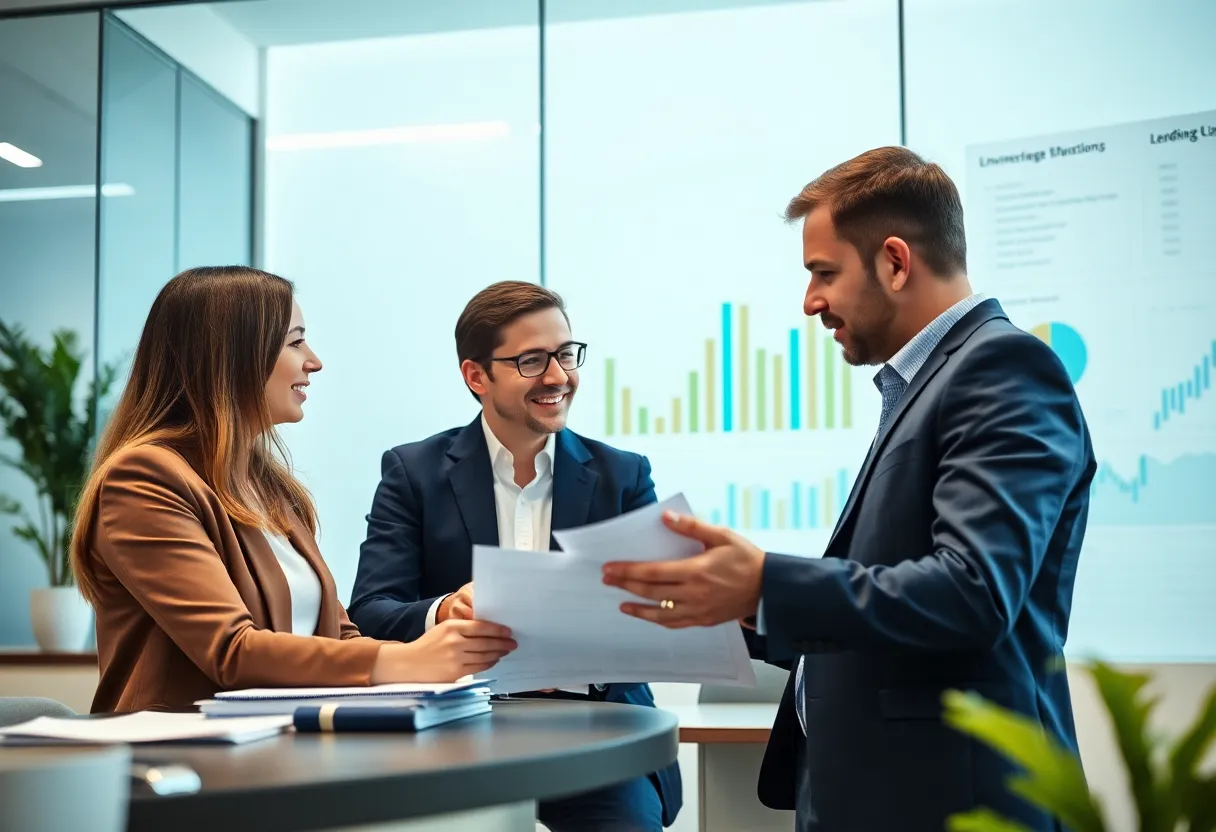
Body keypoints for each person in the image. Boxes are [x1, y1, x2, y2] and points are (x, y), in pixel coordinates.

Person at [601, 147, 1097, 831]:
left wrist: (767, 585)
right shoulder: (928, 383)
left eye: (824, 273)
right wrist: (745, 609)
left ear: (895, 262)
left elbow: (973, 593)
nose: (811, 302)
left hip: (950, 803)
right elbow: (896, 603)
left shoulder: (1001, 368)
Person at [70, 266, 516, 714]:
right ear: (233, 355)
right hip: (180, 749)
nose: (313, 361)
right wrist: (409, 660)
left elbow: (339, 637)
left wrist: (442, 655)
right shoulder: (144, 477)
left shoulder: (272, 490)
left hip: (284, 741)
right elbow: (231, 650)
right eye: (295, 342)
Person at [348, 280, 682, 832]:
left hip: (596, 729)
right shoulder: (414, 473)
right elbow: (370, 610)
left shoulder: (622, 475)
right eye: (531, 361)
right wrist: (444, 611)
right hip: (456, 727)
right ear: (476, 376)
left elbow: (663, 613)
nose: (558, 376)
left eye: (566, 354)